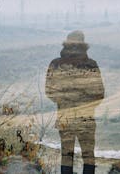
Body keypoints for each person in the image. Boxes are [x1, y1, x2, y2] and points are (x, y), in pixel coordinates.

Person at [45, 31, 105, 174]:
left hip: (65, 117)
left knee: (66, 155)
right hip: (86, 118)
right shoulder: (91, 65)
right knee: (88, 155)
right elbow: (99, 94)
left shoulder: (56, 64)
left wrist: (66, 100)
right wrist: (83, 102)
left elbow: (50, 92)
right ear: (84, 45)